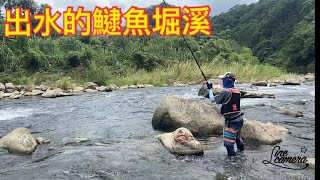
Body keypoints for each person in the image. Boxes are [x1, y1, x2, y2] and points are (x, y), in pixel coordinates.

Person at [206, 72, 244, 156]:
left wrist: (210, 89)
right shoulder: (237, 91)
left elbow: (212, 100)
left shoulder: (225, 92)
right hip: (239, 120)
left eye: (223, 80)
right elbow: (228, 103)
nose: (222, 82)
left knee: (228, 145)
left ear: (227, 80)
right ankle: (242, 154)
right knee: (237, 139)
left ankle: (233, 163)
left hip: (231, 122)